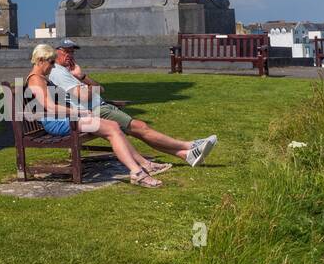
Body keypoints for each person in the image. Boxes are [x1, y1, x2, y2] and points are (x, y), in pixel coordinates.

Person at [51, 39, 217, 167]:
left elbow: (100, 89)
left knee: (140, 130)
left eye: (72, 52)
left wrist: (81, 76)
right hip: (94, 110)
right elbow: (85, 97)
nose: (70, 55)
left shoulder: (70, 71)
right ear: (55, 53)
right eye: (66, 51)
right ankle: (191, 145)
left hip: (99, 106)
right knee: (140, 127)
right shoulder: (58, 73)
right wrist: (87, 88)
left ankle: (186, 155)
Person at [24, 45, 169, 188]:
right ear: (41, 60)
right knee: (112, 128)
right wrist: (79, 112)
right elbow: (49, 106)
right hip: (57, 123)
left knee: (113, 126)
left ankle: (143, 166)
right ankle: (138, 173)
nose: (53, 66)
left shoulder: (41, 77)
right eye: (51, 62)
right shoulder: (36, 79)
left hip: (64, 119)